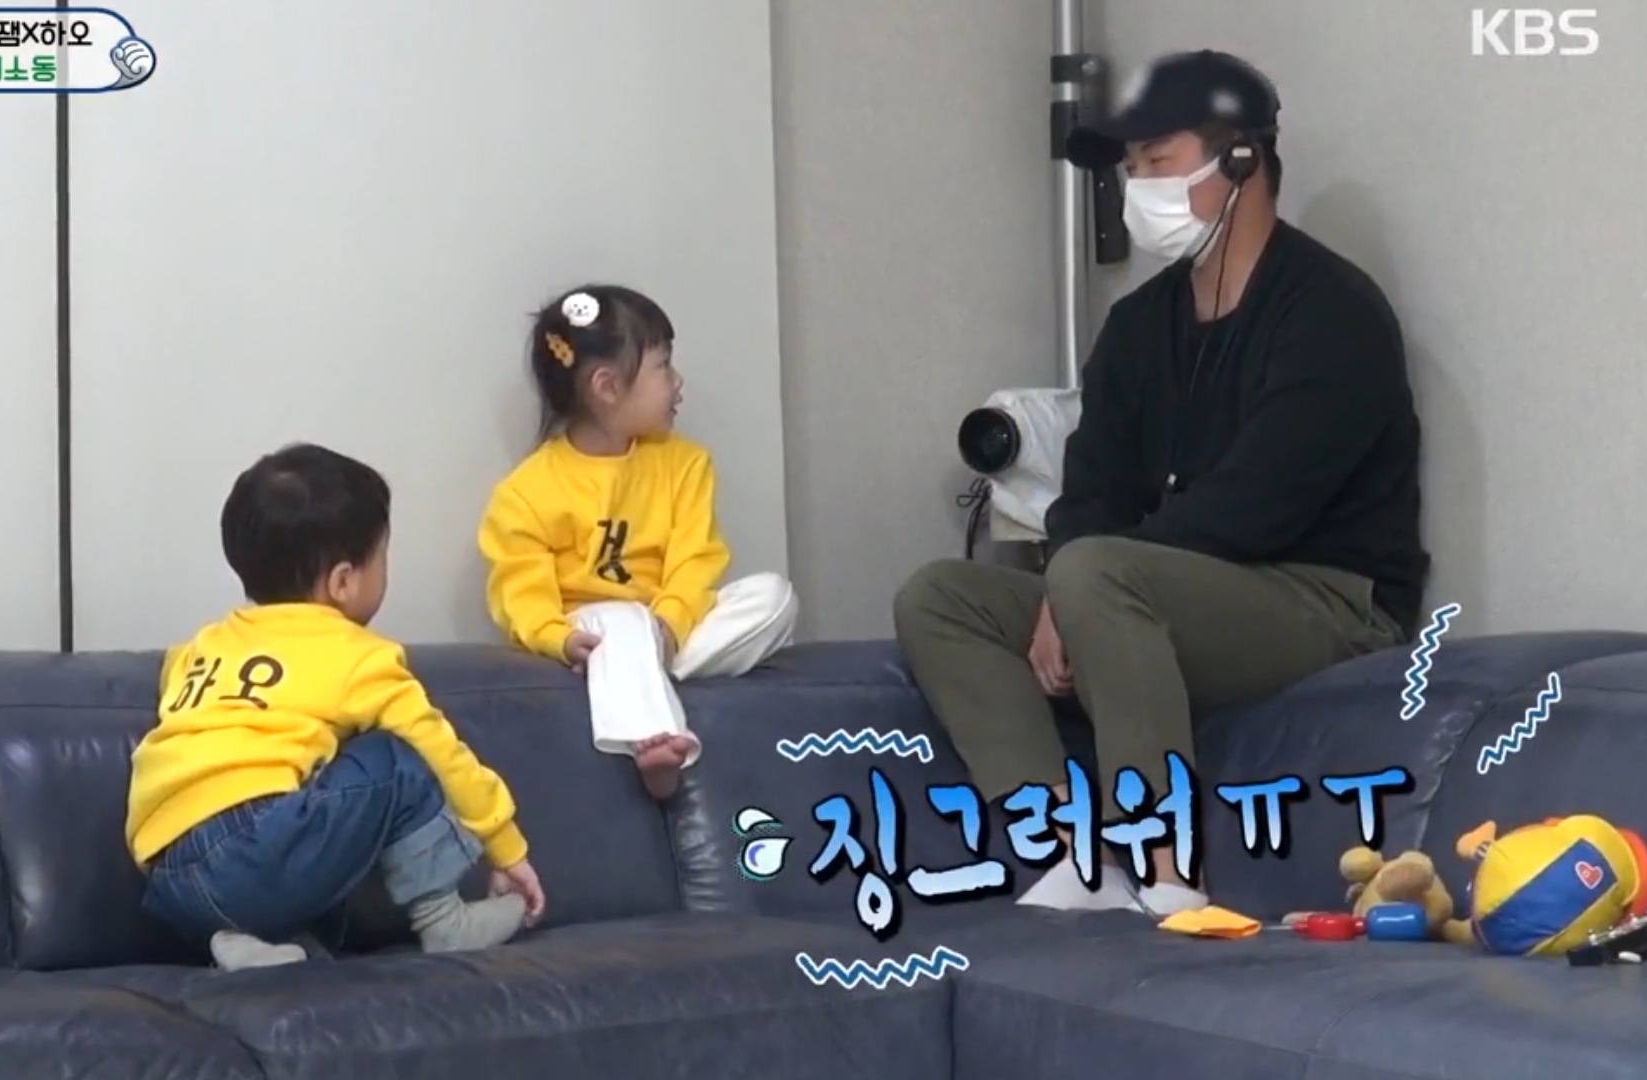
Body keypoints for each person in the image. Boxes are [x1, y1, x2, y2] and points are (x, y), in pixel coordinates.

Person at [893, 50, 1428, 917]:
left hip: (1330, 604)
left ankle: (1168, 870)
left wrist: (1081, 583)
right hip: (1154, 597)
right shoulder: (1139, 324)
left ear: (1242, 161)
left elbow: (1256, 508)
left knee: (1094, 570)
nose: (1137, 187)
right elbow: (1089, 489)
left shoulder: (1333, 311)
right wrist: (1063, 588)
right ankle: (1078, 855)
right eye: (1131, 168)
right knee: (942, 596)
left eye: (1157, 161)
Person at [128, 443, 545, 969]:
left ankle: (249, 944)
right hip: (253, 850)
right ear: (343, 581)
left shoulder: (200, 647)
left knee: (310, 804)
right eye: (382, 556)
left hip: (168, 877)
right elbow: (442, 751)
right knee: (396, 757)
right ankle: (444, 920)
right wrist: (507, 846)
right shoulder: (357, 657)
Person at [478, 285, 798, 802]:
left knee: (775, 597)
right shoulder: (526, 492)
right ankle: (657, 746)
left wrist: (667, 626)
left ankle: (630, 677)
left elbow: (696, 560)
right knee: (623, 620)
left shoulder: (685, 463)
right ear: (607, 386)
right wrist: (557, 638)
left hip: (668, 626)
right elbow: (520, 594)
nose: (678, 382)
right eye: (663, 366)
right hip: (589, 635)